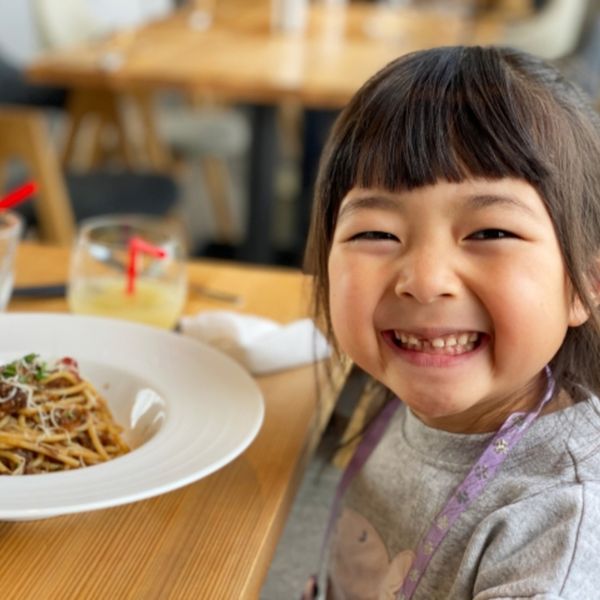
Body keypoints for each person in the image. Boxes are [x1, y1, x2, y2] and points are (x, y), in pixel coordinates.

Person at [303, 45, 600, 599]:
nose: (425, 278)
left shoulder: (562, 524)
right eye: (376, 234)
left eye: (489, 233)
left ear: (587, 286)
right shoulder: (401, 382)